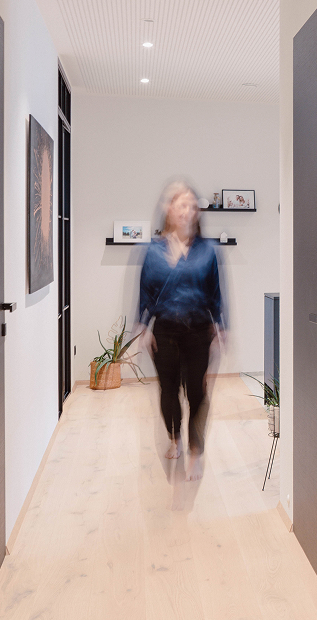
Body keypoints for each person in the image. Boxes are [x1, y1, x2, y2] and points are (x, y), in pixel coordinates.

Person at [138, 181, 225, 481]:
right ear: (169, 210)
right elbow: (145, 290)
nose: (187, 211)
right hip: (164, 331)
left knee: (197, 394)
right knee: (168, 392)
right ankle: (174, 437)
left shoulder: (207, 250)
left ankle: (196, 451)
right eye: (181, 204)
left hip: (199, 331)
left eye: (192, 206)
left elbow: (216, 291)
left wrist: (221, 326)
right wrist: (142, 325)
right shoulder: (154, 251)